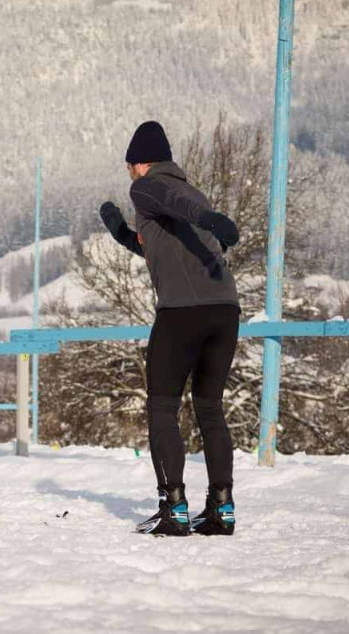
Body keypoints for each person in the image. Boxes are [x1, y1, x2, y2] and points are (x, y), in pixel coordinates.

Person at [99, 121, 241, 536]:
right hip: (224, 312)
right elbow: (163, 246)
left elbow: (171, 202)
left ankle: (174, 508)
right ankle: (221, 508)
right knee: (210, 408)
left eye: (129, 167)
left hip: (182, 313)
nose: (129, 175)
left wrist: (212, 219)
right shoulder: (190, 191)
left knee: (162, 407)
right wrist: (122, 233)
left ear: (139, 163)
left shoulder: (148, 186)